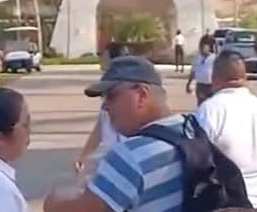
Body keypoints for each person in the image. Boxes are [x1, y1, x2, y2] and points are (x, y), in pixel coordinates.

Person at [43, 56, 186, 211]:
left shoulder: (130, 155)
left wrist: (54, 201)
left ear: (141, 95)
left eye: (111, 96)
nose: (105, 106)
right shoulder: (192, 130)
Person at [195, 50, 257, 211]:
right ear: (245, 78)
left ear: (214, 79)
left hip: (224, 205)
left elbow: (196, 160)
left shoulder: (207, 112)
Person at [73, 43, 128, 176]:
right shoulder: (106, 88)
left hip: (124, 161)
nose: (101, 61)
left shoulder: (127, 91)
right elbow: (100, 127)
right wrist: (83, 155)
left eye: (104, 57)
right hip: (107, 158)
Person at [185, 34, 215, 106]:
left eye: (208, 45)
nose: (204, 47)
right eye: (203, 45)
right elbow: (193, 72)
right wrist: (189, 84)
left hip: (212, 86)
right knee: (202, 105)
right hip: (201, 86)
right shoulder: (197, 58)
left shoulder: (214, 58)